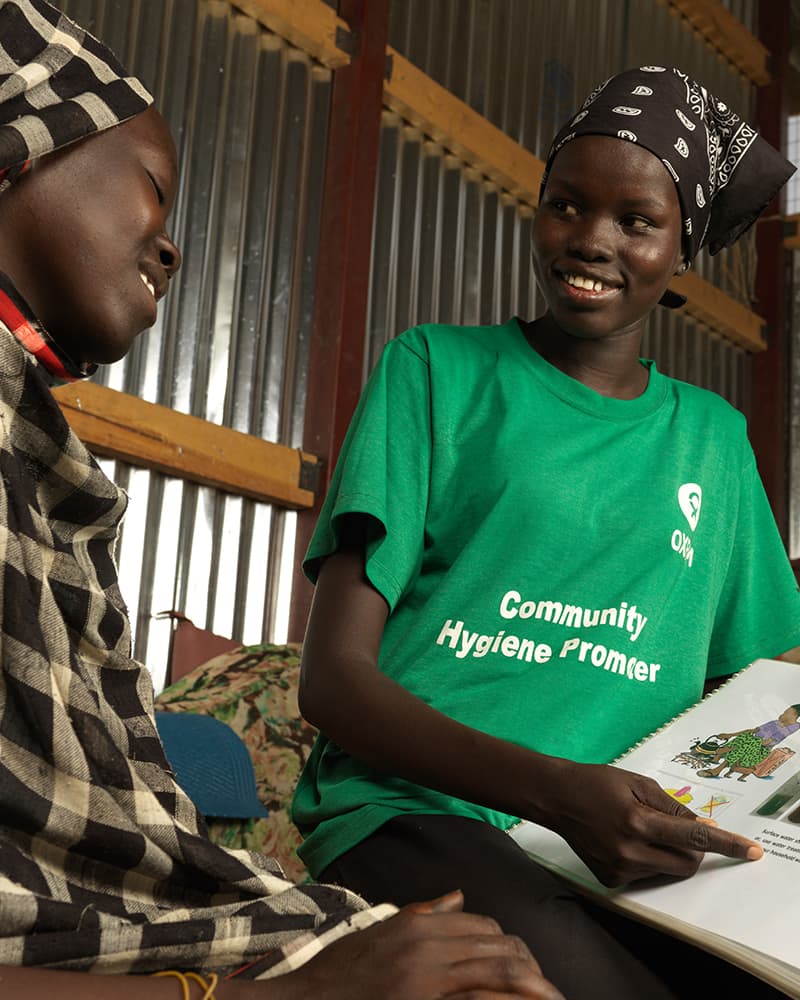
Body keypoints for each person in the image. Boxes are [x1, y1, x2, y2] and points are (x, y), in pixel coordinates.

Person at [0, 2, 562, 998]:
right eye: (153, 192)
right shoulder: (432, 368)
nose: (170, 250)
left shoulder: (41, 474)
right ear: (22, 140)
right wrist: (282, 992)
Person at [291, 65, 800, 999]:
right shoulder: (437, 371)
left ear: (681, 248)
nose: (592, 241)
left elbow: (758, 695)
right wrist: (560, 793)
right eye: (567, 205)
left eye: (637, 221)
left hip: (627, 852)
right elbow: (333, 683)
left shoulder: (714, 443)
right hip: (416, 813)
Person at [698, 704, 800, 780]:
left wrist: (780, 725)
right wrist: (730, 735)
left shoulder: (793, 728)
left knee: (748, 743)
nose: (782, 713)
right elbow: (753, 730)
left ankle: (718, 765)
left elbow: (766, 743)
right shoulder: (775, 722)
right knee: (746, 737)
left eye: (787, 712)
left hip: (761, 750)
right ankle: (719, 756)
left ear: (794, 715)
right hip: (752, 742)